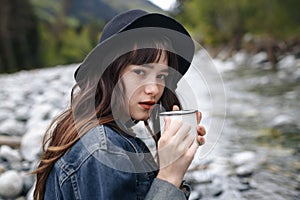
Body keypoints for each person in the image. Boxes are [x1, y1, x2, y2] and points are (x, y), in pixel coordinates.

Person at [32, 9, 206, 200]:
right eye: (140, 72)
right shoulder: (104, 150)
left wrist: (173, 160)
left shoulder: (101, 135)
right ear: (109, 73)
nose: (154, 89)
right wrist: (169, 176)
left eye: (162, 76)